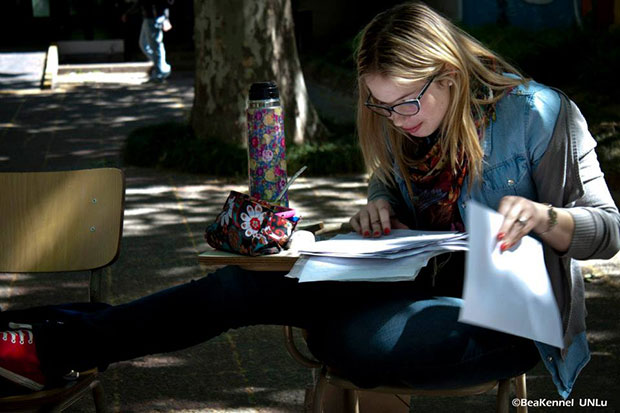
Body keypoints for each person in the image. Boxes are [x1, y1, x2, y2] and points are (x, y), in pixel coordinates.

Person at [1, 1, 619, 403]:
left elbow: (608, 230)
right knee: (236, 289)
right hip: (411, 278)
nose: (397, 120)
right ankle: (44, 342)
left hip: (507, 312)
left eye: (408, 103)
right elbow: (397, 188)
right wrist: (377, 206)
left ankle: (47, 342)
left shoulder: (540, 113)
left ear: (450, 77)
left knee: (358, 344)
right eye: (381, 105)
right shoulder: (405, 121)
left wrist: (546, 217)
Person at [122, 0, 174, 82]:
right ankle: (163, 68)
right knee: (144, 44)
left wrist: (165, 17)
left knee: (155, 46)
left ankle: (160, 73)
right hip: (149, 17)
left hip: (155, 17)